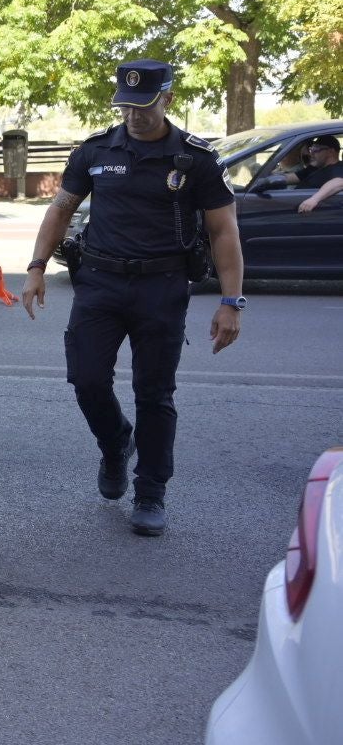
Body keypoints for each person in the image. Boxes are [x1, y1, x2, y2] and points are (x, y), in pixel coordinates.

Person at [19, 59, 245, 536]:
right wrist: (36, 267)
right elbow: (60, 210)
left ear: (168, 99)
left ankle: (150, 491)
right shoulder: (96, 151)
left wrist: (231, 301)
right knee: (87, 380)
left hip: (162, 288)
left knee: (154, 393)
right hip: (99, 283)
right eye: (126, 106)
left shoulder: (196, 159)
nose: (134, 115)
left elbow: (224, 231)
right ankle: (116, 442)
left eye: (144, 106)